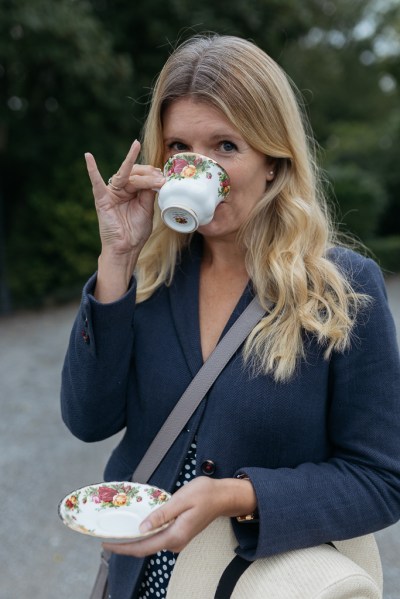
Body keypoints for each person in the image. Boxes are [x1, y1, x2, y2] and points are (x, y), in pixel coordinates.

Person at [61, 34, 400, 599]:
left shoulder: (342, 290)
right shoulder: (149, 279)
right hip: (144, 582)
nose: (200, 169)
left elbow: (383, 480)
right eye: (179, 148)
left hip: (255, 582)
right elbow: (87, 420)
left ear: (273, 159)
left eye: (225, 146)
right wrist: (116, 258)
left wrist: (239, 496)